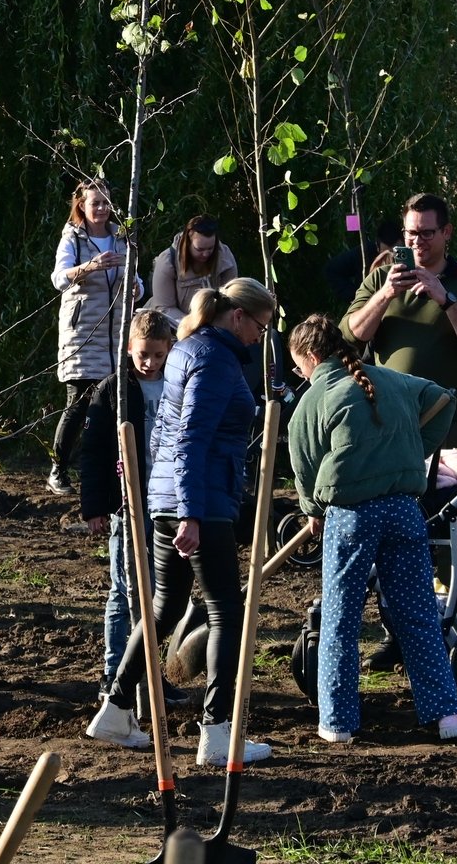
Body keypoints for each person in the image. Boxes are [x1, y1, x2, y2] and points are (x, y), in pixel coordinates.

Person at [87, 279, 277, 767]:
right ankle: (217, 732)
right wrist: (191, 512)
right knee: (224, 612)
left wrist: (166, 503)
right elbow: (191, 437)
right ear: (237, 317)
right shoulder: (215, 361)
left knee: (166, 607)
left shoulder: (187, 350)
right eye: (261, 325)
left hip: (170, 499)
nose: (262, 335)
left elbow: (165, 437)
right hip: (202, 502)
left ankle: (115, 709)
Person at [283, 313, 457, 744]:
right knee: (419, 615)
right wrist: (412, 451)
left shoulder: (313, 401)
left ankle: (338, 723)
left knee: (340, 620)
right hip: (405, 510)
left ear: (312, 357)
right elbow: (443, 399)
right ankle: (448, 715)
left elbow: (303, 463)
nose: (301, 374)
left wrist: (313, 508)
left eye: (299, 366)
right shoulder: (392, 379)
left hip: (352, 517)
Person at [343, 193, 457, 452]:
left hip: (449, 422)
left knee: (449, 494)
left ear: (446, 232)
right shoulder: (380, 279)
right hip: (389, 418)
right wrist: (385, 295)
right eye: (411, 233)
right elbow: (348, 338)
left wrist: (446, 300)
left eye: (427, 233)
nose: (417, 242)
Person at [78, 309, 176, 697]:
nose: (150, 363)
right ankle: (114, 671)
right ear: (128, 349)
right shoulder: (114, 390)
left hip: (165, 501)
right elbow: (94, 451)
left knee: (158, 592)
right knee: (124, 589)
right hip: (128, 503)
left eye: (158, 355)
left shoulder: (175, 385)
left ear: (170, 348)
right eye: (142, 355)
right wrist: (95, 506)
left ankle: (149, 672)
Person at [49, 181, 142, 497]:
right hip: (83, 333)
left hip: (117, 333)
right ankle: (58, 469)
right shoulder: (72, 238)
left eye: (106, 202)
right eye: (95, 203)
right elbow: (59, 279)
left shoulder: (121, 238)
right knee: (78, 403)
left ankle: (115, 470)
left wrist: (135, 289)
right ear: (82, 206)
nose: (102, 209)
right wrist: (90, 266)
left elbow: (138, 281)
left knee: (116, 403)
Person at [144, 216, 239, 325]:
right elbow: (164, 308)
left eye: (210, 248)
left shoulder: (225, 257)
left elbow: (230, 300)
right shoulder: (167, 261)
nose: (206, 254)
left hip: (212, 326)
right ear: (188, 242)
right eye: (200, 249)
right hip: (173, 327)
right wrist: (195, 325)